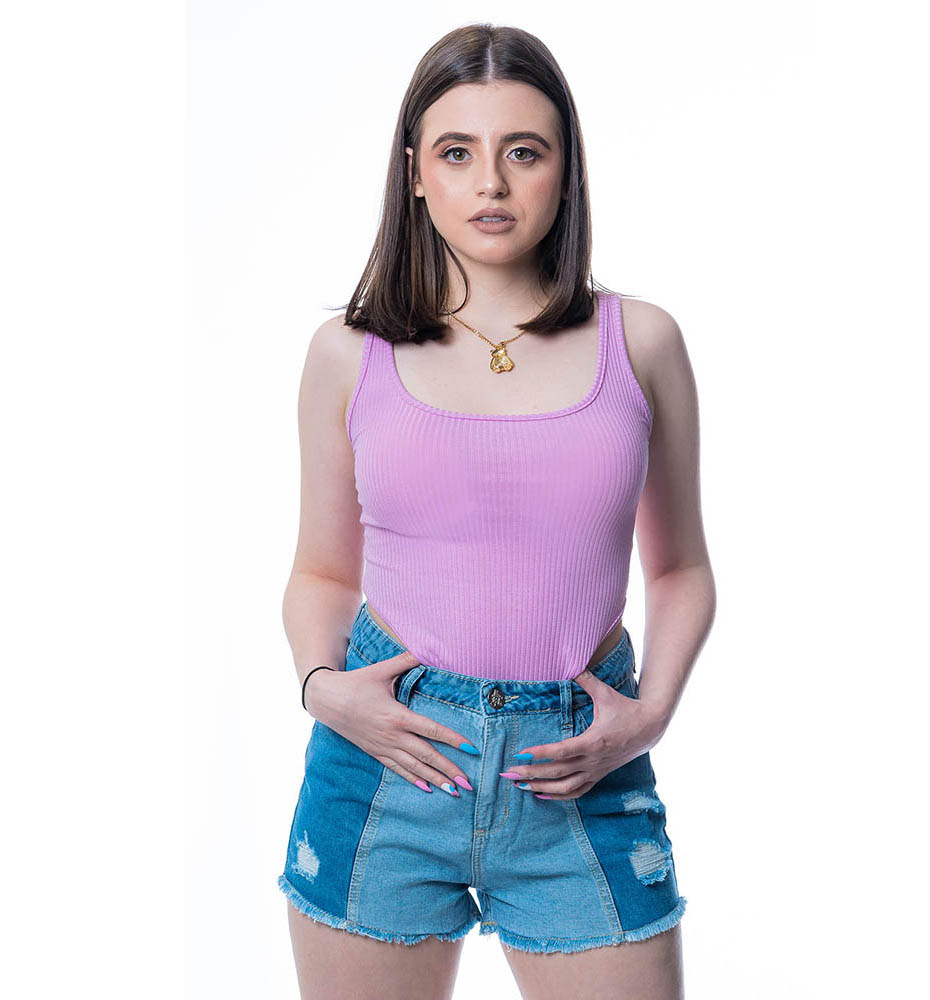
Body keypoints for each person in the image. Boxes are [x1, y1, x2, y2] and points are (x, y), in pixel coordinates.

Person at [276, 22, 715, 1000]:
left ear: (565, 169)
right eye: (456, 153)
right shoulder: (348, 353)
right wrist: (321, 687)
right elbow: (320, 570)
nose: (491, 184)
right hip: (387, 759)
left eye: (523, 152)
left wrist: (651, 714)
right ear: (414, 173)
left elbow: (680, 566)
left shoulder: (640, 342)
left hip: (581, 765)